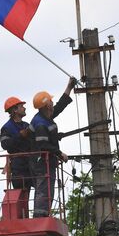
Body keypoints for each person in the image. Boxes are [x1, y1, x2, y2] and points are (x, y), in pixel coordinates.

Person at [29, 76, 77, 217]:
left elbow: (60, 106)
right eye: (51, 101)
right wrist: (59, 153)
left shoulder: (46, 116)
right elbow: (43, 144)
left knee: (48, 188)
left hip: (46, 161)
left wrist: (69, 88)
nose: (53, 102)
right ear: (46, 105)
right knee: (44, 188)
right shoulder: (40, 123)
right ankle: (40, 217)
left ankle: (44, 215)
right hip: (41, 162)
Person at [0, 96, 33, 190]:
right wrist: (20, 136)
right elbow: (5, 145)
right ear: (15, 110)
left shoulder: (26, 125)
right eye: (21, 106)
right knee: (21, 194)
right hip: (18, 167)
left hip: (30, 165)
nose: (24, 108)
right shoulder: (7, 128)